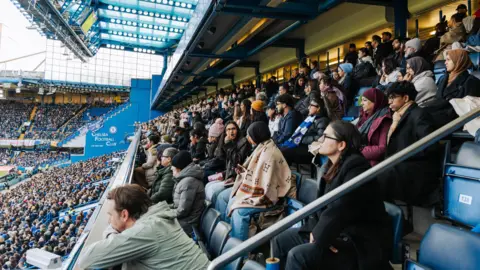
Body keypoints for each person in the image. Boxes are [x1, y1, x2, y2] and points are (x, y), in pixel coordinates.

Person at [272, 121, 392, 270]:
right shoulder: (330, 166)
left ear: (341, 145)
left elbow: (341, 206)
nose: (320, 140)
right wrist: (315, 230)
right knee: (280, 240)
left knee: (299, 255)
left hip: (356, 242)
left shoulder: (356, 167)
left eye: (326, 136)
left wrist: (320, 235)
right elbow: (321, 205)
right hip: (335, 231)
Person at [77, 184, 210, 270]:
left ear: (124, 214)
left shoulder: (146, 230)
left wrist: (111, 234)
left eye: (110, 215)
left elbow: (86, 259)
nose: (109, 220)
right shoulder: (156, 220)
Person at [216, 122, 291, 240]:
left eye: (249, 135)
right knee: (232, 202)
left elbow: (266, 185)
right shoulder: (263, 146)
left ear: (257, 135)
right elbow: (256, 173)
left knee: (239, 212)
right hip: (259, 189)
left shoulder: (269, 153)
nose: (247, 138)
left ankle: (240, 253)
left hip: (269, 196)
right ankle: (229, 240)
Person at [380, 81, 440, 205]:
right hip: (401, 165)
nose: (389, 102)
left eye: (393, 98)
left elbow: (430, 146)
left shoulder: (419, 114)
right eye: (388, 98)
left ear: (406, 98)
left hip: (416, 169)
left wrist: (402, 156)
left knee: (380, 177)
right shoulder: (398, 116)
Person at [426, 49, 480, 127]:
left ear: (458, 61)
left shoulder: (471, 82)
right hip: (439, 113)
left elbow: (464, 108)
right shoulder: (444, 79)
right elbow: (438, 99)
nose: (445, 62)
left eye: (448, 60)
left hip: (454, 118)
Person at [205, 121, 251, 205]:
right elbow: (219, 156)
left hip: (236, 178)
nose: (231, 132)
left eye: (233, 129)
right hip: (227, 174)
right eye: (228, 129)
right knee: (208, 186)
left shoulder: (243, 142)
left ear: (237, 130)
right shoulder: (227, 141)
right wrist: (222, 142)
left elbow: (237, 161)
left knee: (216, 193)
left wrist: (229, 145)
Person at [281, 99, 330, 165]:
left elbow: (321, 138)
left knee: (284, 152)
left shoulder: (323, 120)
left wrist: (303, 139)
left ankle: (287, 173)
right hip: (302, 144)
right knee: (281, 149)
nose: (308, 107)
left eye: (311, 105)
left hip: (310, 149)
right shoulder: (310, 118)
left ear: (318, 108)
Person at [171, 151, 205, 236]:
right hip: (184, 219)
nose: (172, 170)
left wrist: (166, 214)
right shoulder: (184, 180)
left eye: (173, 169)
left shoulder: (188, 182)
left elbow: (183, 210)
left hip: (188, 223)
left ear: (179, 168)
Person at [356, 88, 392, 166]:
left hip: (371, 163)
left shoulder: (385, 119)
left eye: (365, 100)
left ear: (375, 102)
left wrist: (358, 151)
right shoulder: (364, 116)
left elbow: (382, 149)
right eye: (361, 100)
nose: (361, 103)